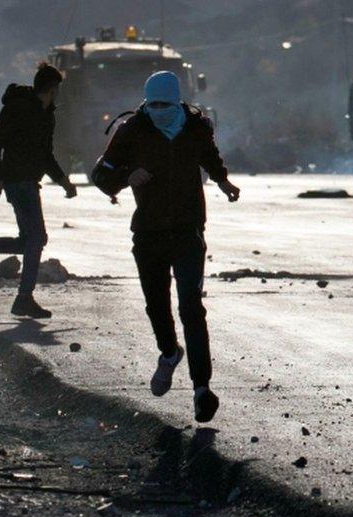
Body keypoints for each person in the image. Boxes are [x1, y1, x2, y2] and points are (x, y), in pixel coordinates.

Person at [91, 71, 240, 423]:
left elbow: (210, 156)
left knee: (191, 306)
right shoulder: (131, 130)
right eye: (153, 104)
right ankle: (170, 353)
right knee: (157, 305)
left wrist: (223, 181)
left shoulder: (196, 127)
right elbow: (100, 175)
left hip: (188, 231)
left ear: (177, 101)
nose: (159, 110)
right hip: (149, 235)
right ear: (146, 102)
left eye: (165, 104)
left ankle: (202, 388)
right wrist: (126, 178)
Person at [0, 62, 77, 318]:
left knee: (28, 241)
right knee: (36, 239)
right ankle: (24, 299)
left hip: (29, 183)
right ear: (51, 89)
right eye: (57, 89)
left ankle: (24, 298)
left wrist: (64, 181)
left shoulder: (46, 115)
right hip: (17, 183)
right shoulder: (19, 108)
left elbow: (45, 155)